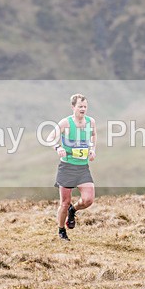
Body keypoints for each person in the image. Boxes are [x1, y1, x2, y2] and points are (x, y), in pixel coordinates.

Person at [47, 93, 97, 241]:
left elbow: (94, 136)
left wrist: (93, 150)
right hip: (67, 167)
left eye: (85, 107)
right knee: (64, 202)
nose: (83, 109)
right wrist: (57, 148)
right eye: (80, 106)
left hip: (82, 168)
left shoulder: (91, 122)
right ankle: (61, 230)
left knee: (88, 200)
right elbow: (49, 138)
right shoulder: (65, 123)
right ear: (73, 107)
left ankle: (73, 210)